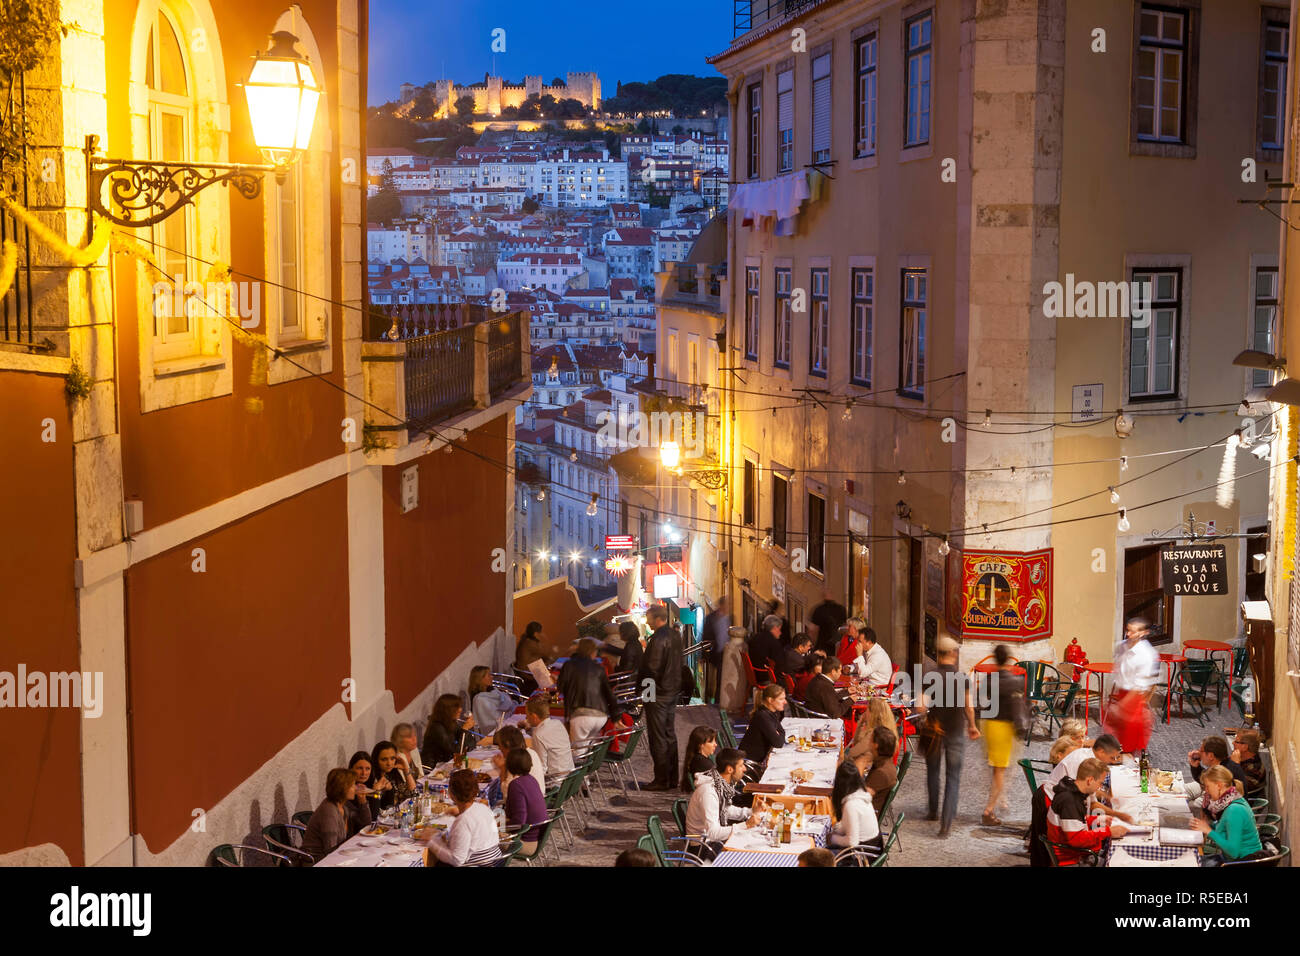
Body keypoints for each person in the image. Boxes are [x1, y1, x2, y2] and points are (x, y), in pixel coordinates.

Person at [918, 636, 980, 838]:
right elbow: (969, 707)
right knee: (953, 777)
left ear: (938, 653)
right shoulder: (962, 678)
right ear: (953, 654)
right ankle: (946, 825)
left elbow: (920, 706)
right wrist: (971, 726)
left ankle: (933, 811)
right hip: (955, 732)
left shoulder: (929, 677)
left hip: (934, 732)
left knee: (933, 771)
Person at [1044, 757, 1128, 865]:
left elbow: (1075, 822)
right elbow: (1076, 839)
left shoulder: (1073, 792)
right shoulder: (1070, 801)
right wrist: (1109, 832)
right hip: (1072, 859)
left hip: (1076, 853)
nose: (1100, 787)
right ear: (1090, 780)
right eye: (1100, 783)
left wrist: (1097, 819)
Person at [638, 603, 684, 790]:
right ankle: (672, 777)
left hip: (657, 693)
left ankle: (661, 779)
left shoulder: (658, 639)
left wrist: (645, 695)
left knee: (658, 737)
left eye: (649, 619)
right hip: (672, 690)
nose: (647, 623)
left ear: (658, 619)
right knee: (669, 734)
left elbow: (652, 669)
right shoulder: (675, 635)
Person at [981, 644, 1026, 827]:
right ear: (1008, 659)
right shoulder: (1015, 682)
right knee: (1001, 771)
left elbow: (981, 702)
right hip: (1004, 729)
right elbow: (1017, 708)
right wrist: (1021, 728)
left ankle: (1000, 798)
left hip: (989, 726)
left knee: (997, 769)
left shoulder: (988, 680)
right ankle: (988, 810)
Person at [684, 747, 756, 859]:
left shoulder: (718, 784)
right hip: (703, 848)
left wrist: (751, 811)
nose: (745, 769)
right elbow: (713, 833)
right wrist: (745, 825)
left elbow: (725, 810)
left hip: (710, 841)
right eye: (741, 765)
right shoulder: (709, 792)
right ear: (730, 769)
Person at [1102, 616, 1159, 754]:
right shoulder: (1121, 646)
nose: (1128, 634)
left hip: (1133, 699)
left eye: (1133, 632)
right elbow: (1118, 672)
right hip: (1121, 693)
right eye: (1128, 630)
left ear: (1144, 633)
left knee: (1128, 741)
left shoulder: (1146, 655)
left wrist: (1122, 707)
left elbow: (1139, 687)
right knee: (1112, 738)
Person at [426, 769, 502, 867]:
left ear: (451, 795)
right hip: (496, 861)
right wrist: (459, 813)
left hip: (480, 864)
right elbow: (474, 823)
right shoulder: (483, 808)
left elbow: (457, 860)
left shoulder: (463, 821)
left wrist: (431, 841)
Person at [1192, 764, 1264, 862]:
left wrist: (1209, 831)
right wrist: (1208, 825)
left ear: (1219, 785)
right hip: (1233, 859)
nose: (1206, 791)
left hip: (1242, 862)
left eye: (1208, 787)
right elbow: (1225, 828)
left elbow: (1233, 852)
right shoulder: (1230, 802)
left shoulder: (1234, 810)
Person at [301, 767, 370, 862]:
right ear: (342, 788)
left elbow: (366, 824)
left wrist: (363, 802)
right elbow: (330, 849)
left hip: (338, 854)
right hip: (317, 860)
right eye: (352, 785)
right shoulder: (329, 811)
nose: (356, 788)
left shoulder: (343, 806)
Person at [558, 637, 618, 745]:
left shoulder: (569, 665)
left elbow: (560, 688)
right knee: (588, 749)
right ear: (593, 652)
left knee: (578, 754)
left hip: (580, 715)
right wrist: (616, 717)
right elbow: (609, 694)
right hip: (601, 716)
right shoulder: (599, 668)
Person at [829, 760, 881, 853]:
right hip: (872, 846)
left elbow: (852, 841)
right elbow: (852, 826)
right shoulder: (862, 795)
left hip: (861, 854)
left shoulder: (851, 805)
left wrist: (832, 838)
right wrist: (837, 830)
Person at [502, 747, 547, 855]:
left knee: (486, 833)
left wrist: (501, 828)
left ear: (509, 765)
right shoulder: (531, 779)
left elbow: (519, 820)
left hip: (525, 842)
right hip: (537, 837)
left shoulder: (516, 785)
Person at [523, 694, 574, 783]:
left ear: (534, 716)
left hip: (556, 782)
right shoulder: (557, 723)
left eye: (527, 715)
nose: (526, 718)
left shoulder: (538, 734)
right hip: (570, 777)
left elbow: (541, 767)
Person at [1188, 736, 1248, 811]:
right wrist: (1195, 766)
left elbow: (1219, 803)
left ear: (1211, 756)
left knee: (1194, 806)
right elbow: (1204, 779)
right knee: (1186, 790)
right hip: (1221, 803)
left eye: (1201, 751)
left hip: (1226, 809)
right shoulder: (1223, 764)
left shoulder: (1225, 771)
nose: (1199, 753)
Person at [739, 683, 787, 767]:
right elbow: (778, 743)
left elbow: (781, 732)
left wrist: (778, 735)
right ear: (770, 700)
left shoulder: (771, 713)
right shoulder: (762, 716)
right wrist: (777, 735)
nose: (785, 702)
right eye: (781, 699)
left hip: (759, 760)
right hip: (750, 764)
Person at [858, 725, 899, 817]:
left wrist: (860, 767)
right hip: (866, 810)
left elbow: (859, 798)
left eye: (870, 740)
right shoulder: (885, 762)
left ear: (875, 745)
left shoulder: (881, 773)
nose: (868, 743)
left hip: (866, 817)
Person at [424, 694, 474, 766]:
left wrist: (467, 729)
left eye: (460, 706)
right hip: (435, 769)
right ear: (447, 710)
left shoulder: (451, 722)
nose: (460, 710)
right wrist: (465, 729)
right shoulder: (436, 728)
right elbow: (456, 753)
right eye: (456, 707)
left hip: (448, 763)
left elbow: (471, 744)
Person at [495, 724, 547, 793]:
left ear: (507, 744)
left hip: (527, 802)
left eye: (500, 745)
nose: (499, 748)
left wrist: (502, 768)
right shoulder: (531, 752)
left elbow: (507, 794)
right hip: (539, 798)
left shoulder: (516, 760)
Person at [467, 665, 517, 736]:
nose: (492, 677)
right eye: (488, 675)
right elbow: (491, 719)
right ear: (480, 679)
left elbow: (508, 702)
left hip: (505, 720)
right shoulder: (479, 699)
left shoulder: (492, 690)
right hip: (493, 731)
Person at [369, 740, 415, 813]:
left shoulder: (392, 773)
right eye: (384, 759)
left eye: (392, 758)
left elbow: (412, 795)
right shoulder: (372, 778)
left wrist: (406, 769)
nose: (389, 763)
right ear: (376, 760)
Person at [847, 697, 899, 762]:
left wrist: (860, 724)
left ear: (873, 713)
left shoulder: (874, 734)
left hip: (867, 768)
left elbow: (852, 753)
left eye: (867, 709)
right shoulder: (887, 729)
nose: (865, 713)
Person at [805, 654, 853, 720]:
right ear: (833, 672)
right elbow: (835, 713)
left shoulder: (817, 679)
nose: (840, 673)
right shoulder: (825, 686)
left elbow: (829, 698)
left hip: (814, 716)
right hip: (823, 721)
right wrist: (850, 700)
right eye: (839, 671)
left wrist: (847, 692)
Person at [702, 596, 731, 701]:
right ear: (721, 605)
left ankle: (717, 700)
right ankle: (708, 699)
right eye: (726, 605)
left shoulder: (729, 619)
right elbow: (705, 637)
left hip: (724, 653)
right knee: (710, 681)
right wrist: (704, 655)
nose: (727, 608)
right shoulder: (710, 618)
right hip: (713, 653)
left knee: (720, 679)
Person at [810, 590, 849, 656]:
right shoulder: (841, 609)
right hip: (837, 642)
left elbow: (814, 630)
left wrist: (813, 643)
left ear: (823, 597)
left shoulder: (819, 610)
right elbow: (845, 626)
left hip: (823, 643)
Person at [680, 725, 719, 791]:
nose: (715, 745)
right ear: (701, 744)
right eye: (711, 742)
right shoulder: (702, 763)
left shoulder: (697, 759)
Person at [1232, 730, 1267, 798]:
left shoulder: (1255, 768)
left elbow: (1239, 789)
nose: (1233, 743)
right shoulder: (1241, 760)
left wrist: (1235, 766)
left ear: (1245, 747)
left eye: (1236, 742)